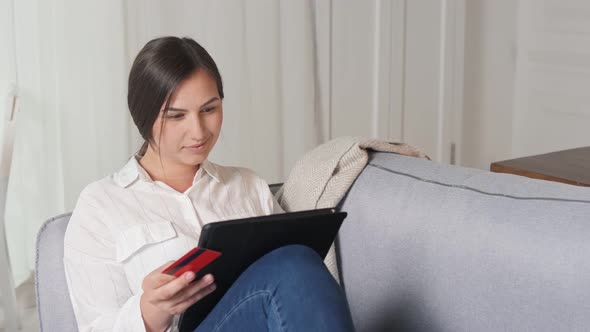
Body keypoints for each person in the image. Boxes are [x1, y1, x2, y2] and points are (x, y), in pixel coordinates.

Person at [63, 36, 355, 332]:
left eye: (209, 109)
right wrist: (148, 312)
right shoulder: (100, 204)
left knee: (297, 260)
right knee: (293, 264)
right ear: (143, 117)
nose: (198, 131)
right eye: (176, 116)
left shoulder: (247, 185)